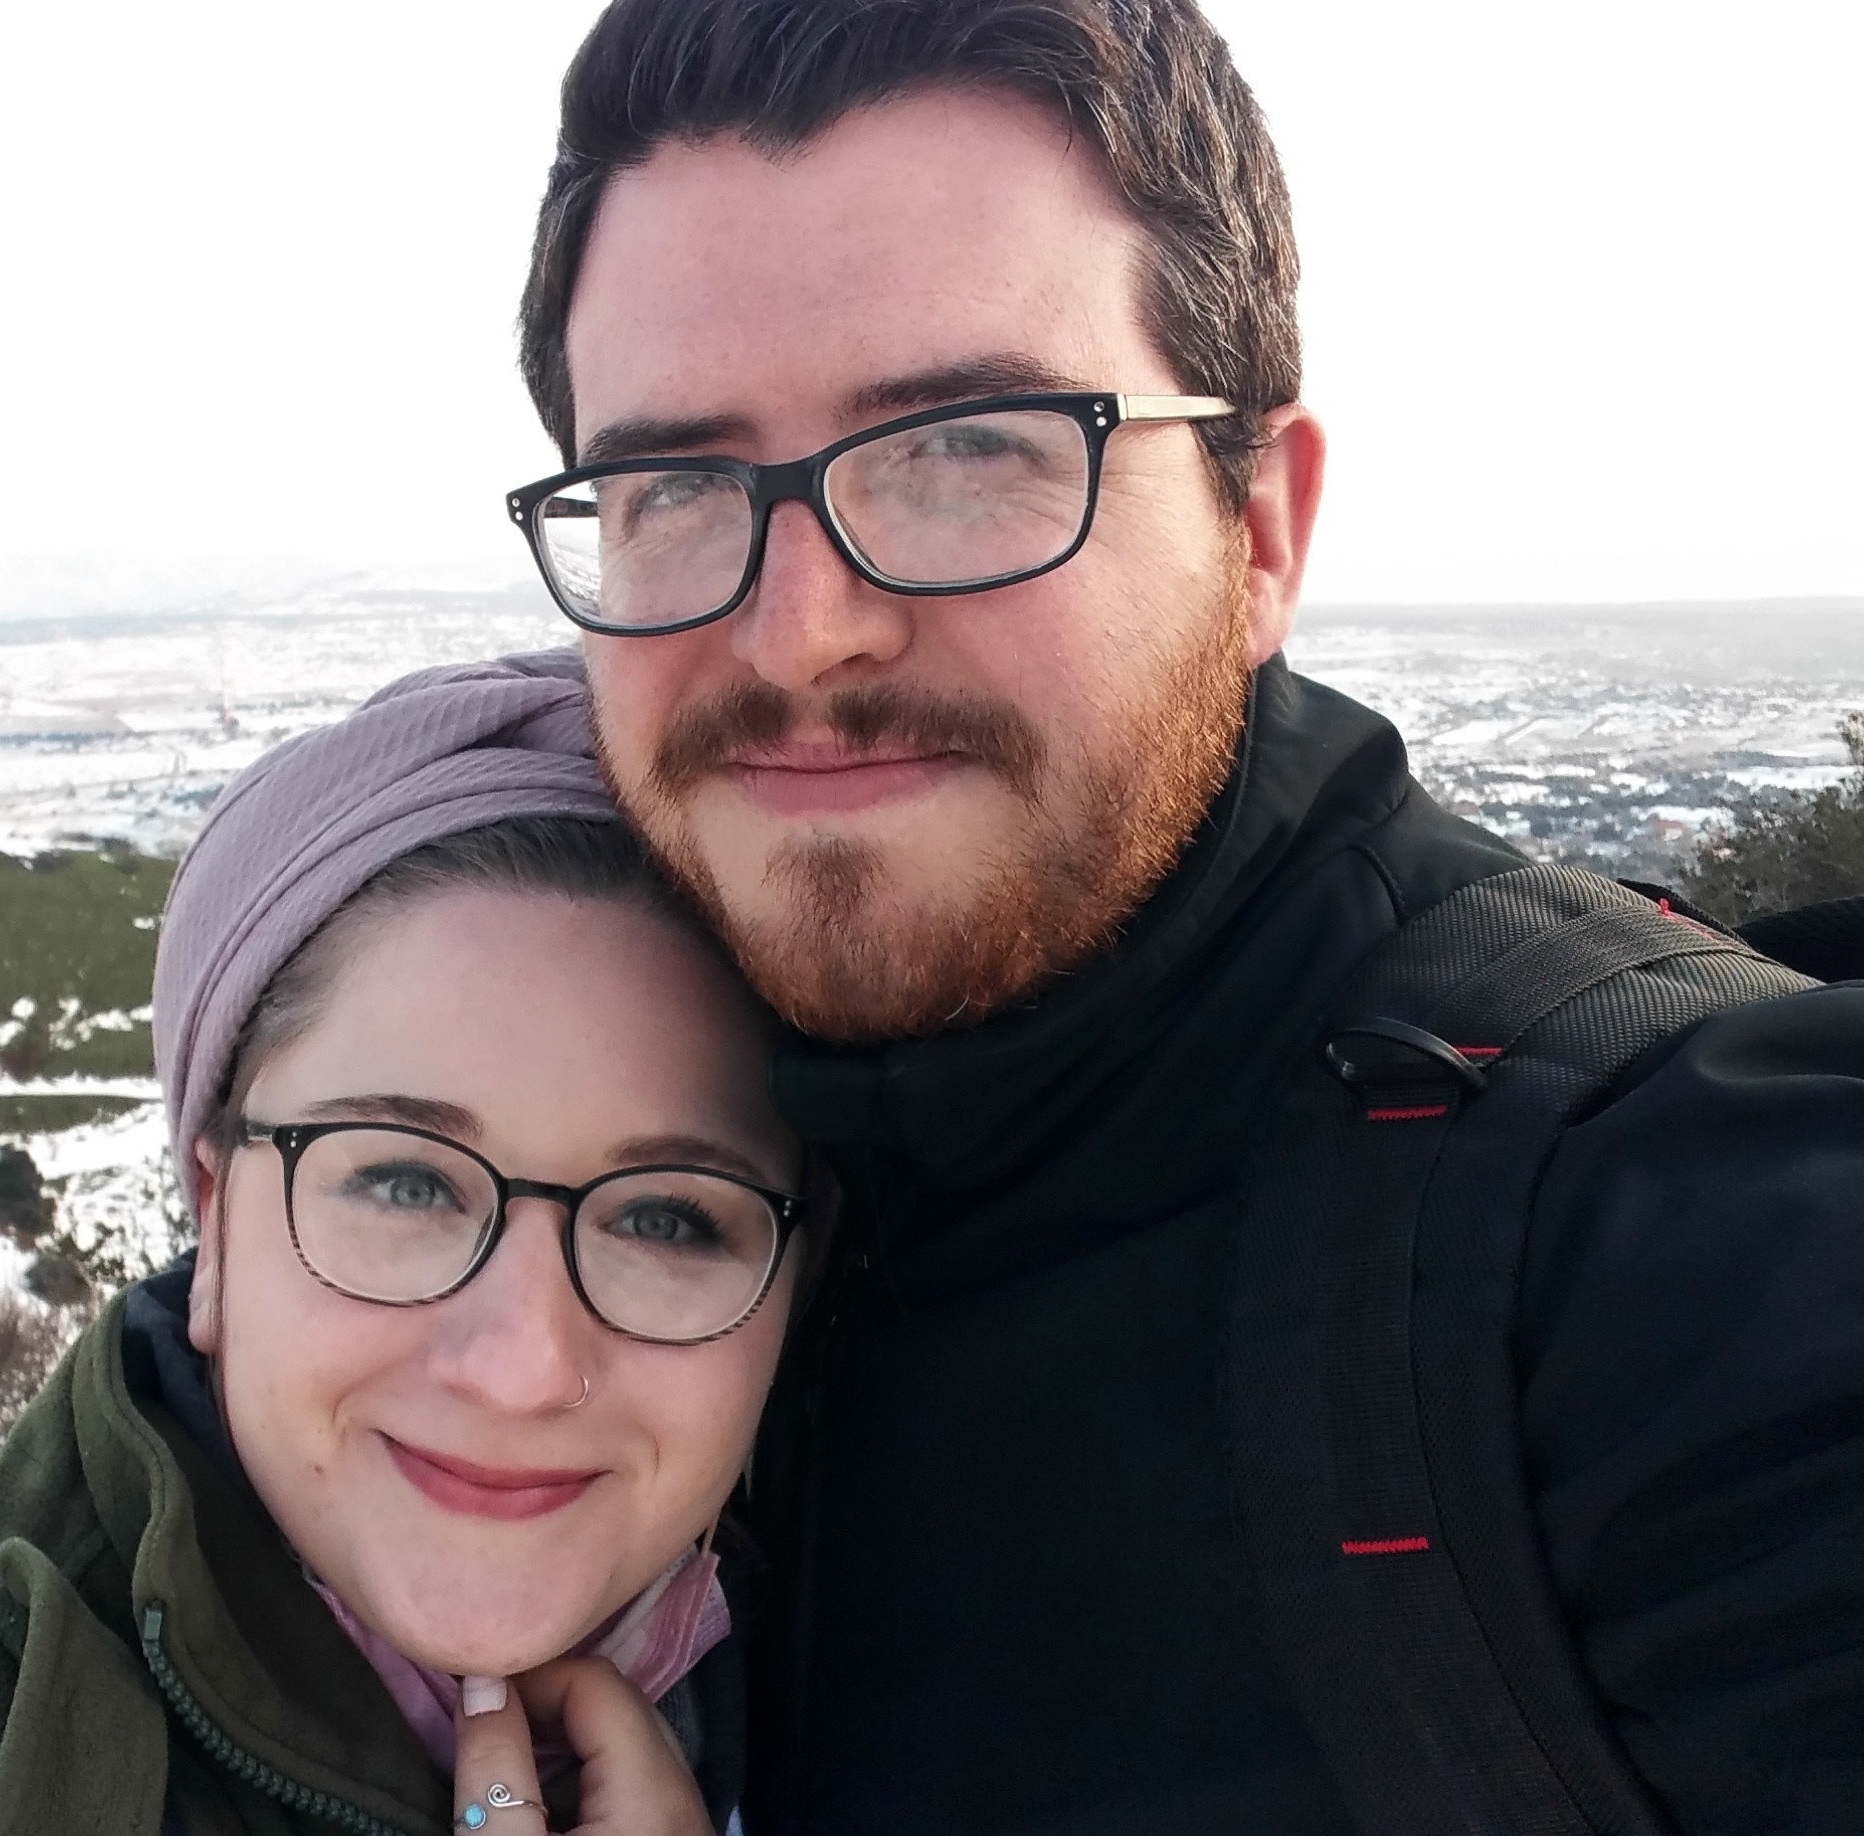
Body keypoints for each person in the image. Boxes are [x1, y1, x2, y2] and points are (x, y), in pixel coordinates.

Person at [493, 2, 1864, 1832]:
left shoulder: (1654, 1255)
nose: (797, 629)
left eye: (967, 448)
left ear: (1260, 533)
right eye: (672, 485)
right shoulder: (563, 1153)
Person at [0, 658, 811, 1835]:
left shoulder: (910, 1672)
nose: (521, 1364)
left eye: (666, 1218)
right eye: (404, 1184)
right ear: (214, 1222)